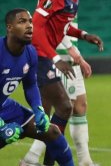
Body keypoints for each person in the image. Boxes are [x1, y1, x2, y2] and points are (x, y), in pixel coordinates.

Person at [27, 0, 104, 165]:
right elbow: (38, 26)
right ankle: (32, 159)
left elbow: (62, 25)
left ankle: (46, 160)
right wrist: (57, 57)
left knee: (67, 107)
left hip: (54, 54)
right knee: (56, 109)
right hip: (43, 55)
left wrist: (84, 35)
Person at [1, 9, 75, 166]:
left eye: (30, 21)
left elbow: (30, 85)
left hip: (5, 107)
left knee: (52, 132)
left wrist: (38, 109)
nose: (29, 26)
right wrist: (1, 126)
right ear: (9, 28)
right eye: (22, 22)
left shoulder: (30, 52)